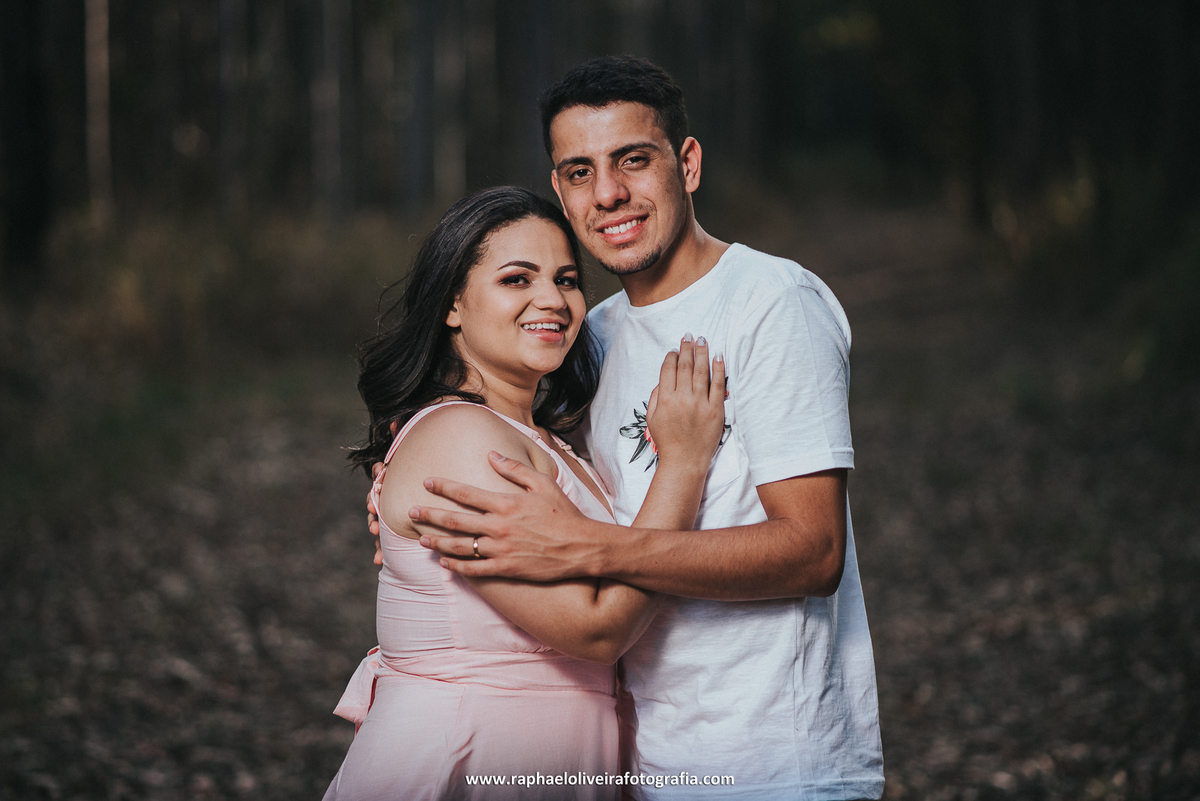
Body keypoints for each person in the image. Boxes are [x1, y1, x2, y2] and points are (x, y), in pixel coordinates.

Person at [397, 57, 885, 800]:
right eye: (581, 171)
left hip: (773, 763)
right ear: (560, 189)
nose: (610, 193)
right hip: (646, 761)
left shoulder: (771, 304)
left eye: (633, 160)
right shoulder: (586, 337)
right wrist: (400, 500)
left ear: (686, 164)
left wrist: (590, 544)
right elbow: (508, 439)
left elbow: (813, 551)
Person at [324, 186, 727, 801]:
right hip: (467, 757)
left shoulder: (543, 440)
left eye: (567, 280)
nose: (553, 300)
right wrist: (683, 464)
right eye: (517, 279)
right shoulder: (460, 437)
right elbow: (597, 628)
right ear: (452, 305)